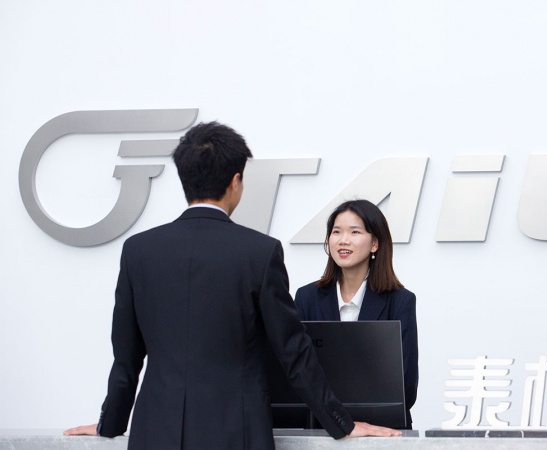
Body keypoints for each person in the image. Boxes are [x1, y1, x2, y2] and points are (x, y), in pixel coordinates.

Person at [63, 122, 400, 448]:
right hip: (236, 433)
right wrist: (342, 424)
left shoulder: (139, 251)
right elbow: (294, 353)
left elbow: (125, 358)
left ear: (184, 178)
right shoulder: (260, 252)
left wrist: (110, 424)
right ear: (235, 181)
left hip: (156, 432)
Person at [293, 199, 418, 429]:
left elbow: (406, 388)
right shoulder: (306, 297)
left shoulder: (400, 301)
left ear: (375, 243)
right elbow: (296, 373)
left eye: (355, 232)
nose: (343, 240)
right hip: (322, 429)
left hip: (382, 430)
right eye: (336, 232)